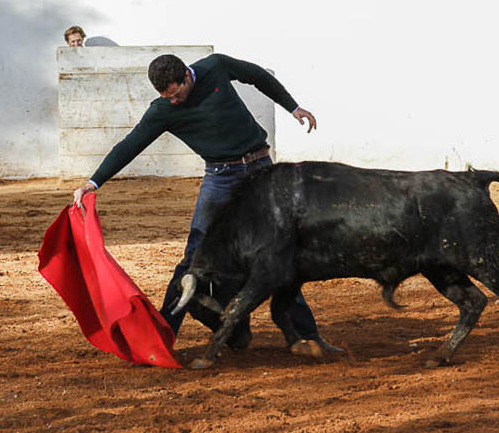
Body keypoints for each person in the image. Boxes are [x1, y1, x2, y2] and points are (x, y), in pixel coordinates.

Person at [73, 53, 342, 352]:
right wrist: (93, 182)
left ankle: (308, 336)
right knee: (194, 256)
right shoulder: (162, 109)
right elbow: (131, 144)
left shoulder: (215, 66)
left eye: (176, 94)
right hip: (220, 177)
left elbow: (257, 76)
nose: (173, 102)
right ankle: (162, 339)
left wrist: (292, 107)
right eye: (166, 97)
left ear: (187, 76)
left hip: (261, 170)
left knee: (279, 250)